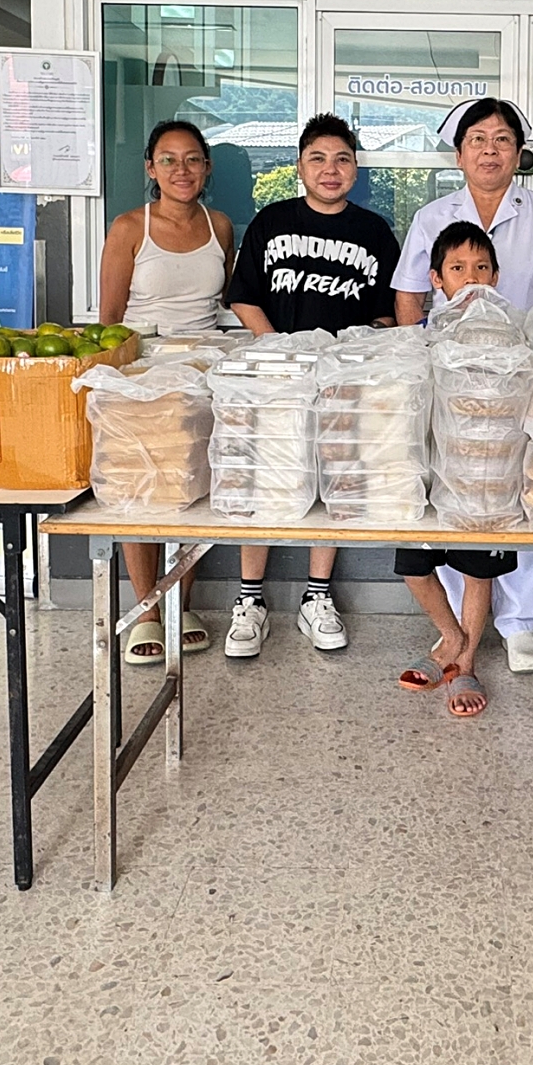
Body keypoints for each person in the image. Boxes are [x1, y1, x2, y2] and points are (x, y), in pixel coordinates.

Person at [392, 98, 533, 674]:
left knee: (520, 493)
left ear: (518, 153)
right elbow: (410, 295)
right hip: (452, 385)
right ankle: (463, 626)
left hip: (523, 383)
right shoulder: (433, 216)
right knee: (459, 491)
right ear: (459, 154)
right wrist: (418, 363)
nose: (490, 150)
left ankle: (519, 623)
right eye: (477, 140)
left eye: (502, 139)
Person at [222, 113, 400, 659]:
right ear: (299, 167)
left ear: (355, 169)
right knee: (263, 478)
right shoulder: (271, 221)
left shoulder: (374, 232)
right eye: (318, 159)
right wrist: (282, 355)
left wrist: (348, 360)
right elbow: (244, 296)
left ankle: (317, 596)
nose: (330, 169)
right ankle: (249, 599)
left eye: (342, 159)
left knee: (335, 479)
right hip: (275, 378)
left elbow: (387, 315)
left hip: (343, 382)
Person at [98, 120, 235, 665]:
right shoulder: (130, 227)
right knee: (142, 488)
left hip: (202, 375)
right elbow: (110, 320)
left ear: (207, 168)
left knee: (192, 488)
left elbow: (222, 304)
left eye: (193, 159)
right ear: (151, 169)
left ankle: (180, 602)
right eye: (169, 160)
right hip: (144, 379)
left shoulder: (220, 226)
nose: (182, 170)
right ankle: (146, 612)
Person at [392, 221, 509, 718]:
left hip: (484, 474)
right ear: (436, 280)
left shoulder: (508, 335)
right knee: (414, 566)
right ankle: (453, 638)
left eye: (481, 267)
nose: (472, 277)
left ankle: (466, 662)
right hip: (426, 475)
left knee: (476, 568)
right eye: (458, 268)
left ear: (496, 276)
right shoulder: (422, 337)